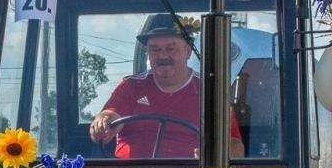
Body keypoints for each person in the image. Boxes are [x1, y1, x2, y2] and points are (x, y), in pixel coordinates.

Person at [90, 14, 244, 159]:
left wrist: (215, 153)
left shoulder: (210, 92)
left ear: (188, 51)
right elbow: (111, 115)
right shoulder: (131, 86)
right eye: (155, 50)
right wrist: (102, 123)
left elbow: (236, 148)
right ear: (148, 54)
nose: (163, 56)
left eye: (171, 49)